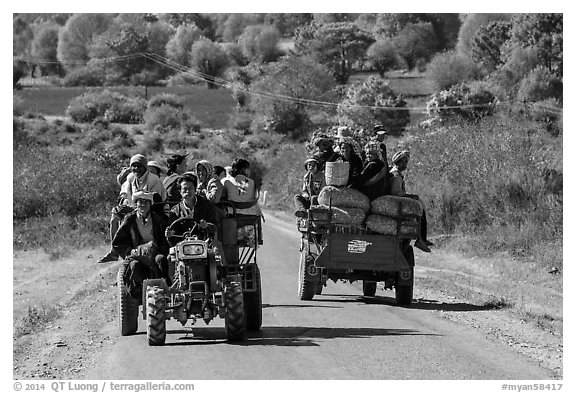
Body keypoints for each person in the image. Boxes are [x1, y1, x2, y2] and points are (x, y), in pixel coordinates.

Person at [98, 154, 166, 263]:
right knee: (115, 217)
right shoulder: (131, 178)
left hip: (155, 209)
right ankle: (114, 251)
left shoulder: (154, 180)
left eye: (139, 166)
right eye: (133, 166)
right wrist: (124, 207)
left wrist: (133, 208)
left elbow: (156, 202)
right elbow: (129, 196)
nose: (136, 169)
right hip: (136, 208)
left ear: (145, 167)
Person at [115, 191, 171, 301]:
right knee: (134, 266)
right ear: (136, 204)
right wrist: (130, 251)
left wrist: (158, 249)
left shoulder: (158, 220)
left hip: (155, 253)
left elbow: (165, 241)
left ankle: (165, 289)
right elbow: (119, 242)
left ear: (150, 204)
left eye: (146, 202)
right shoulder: (129, 220)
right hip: (136, 255)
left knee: (161, 260)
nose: (143, 205)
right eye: (140, 202)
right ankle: (139, 292)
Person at [389, 150, 434, 253]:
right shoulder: (396, 176)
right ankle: (420, 239)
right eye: (403, 162)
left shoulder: (397, 174)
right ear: (397, 162)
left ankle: (422, 238)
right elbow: (396, 193)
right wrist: (411, 197)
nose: (405, 164)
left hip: (398, 202)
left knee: (420, 205)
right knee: (419, 209)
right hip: (396, 204)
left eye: (406, 162)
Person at [222, 158, 264, 244]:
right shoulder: (252, 183)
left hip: (231, 219)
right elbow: (254, 201)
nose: (249, 171)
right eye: (248, 169)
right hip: (250, 220)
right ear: (243, 169)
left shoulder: (225, 182)